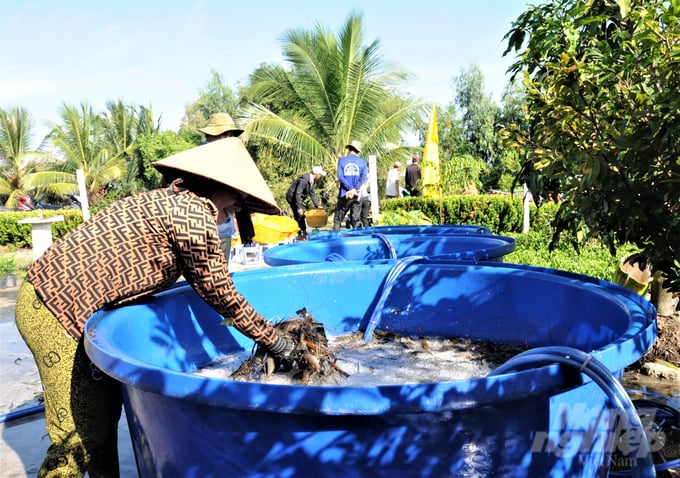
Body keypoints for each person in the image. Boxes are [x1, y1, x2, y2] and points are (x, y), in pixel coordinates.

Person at [14, 138, 297, 478]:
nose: (230, 216)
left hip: (72, 305)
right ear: (214, 185)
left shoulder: (173, 200)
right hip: (52, 308)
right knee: (78, 436)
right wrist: (276, 341)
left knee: (102, 418)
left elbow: (206, 281)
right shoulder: (193, 215)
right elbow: (220, 294)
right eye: (233, 207)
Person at [198, 112, 255, 245]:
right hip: (204, 231)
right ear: (218, 136)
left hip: (222, 229)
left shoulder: (231, 158)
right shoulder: (198, 160)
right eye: (228, 135)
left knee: (221, 266)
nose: (231, 139)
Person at [333, 140, 368, 230]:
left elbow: (340, 176)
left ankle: (335, 241)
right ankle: (357, 241)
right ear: (358, 151)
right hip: (357, 194)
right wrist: (354, 189)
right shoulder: (362, 162)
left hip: (344, 194)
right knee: (356, 220)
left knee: (338, 220)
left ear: (349, 149)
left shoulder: (342, 161)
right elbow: (363, 178)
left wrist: (349, 188)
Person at [286, 166, 327, 239]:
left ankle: (304, 232)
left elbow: (312, 194)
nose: (320, 176)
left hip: (297, 197)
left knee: (302, 215)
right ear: (317, 174)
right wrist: (299, 208)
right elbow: (297, 193)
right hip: (292, 197)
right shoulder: (304, 180)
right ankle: (299, 234)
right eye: (320, 175)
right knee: (299, 214)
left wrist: (317, 205)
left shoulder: (312, 181)